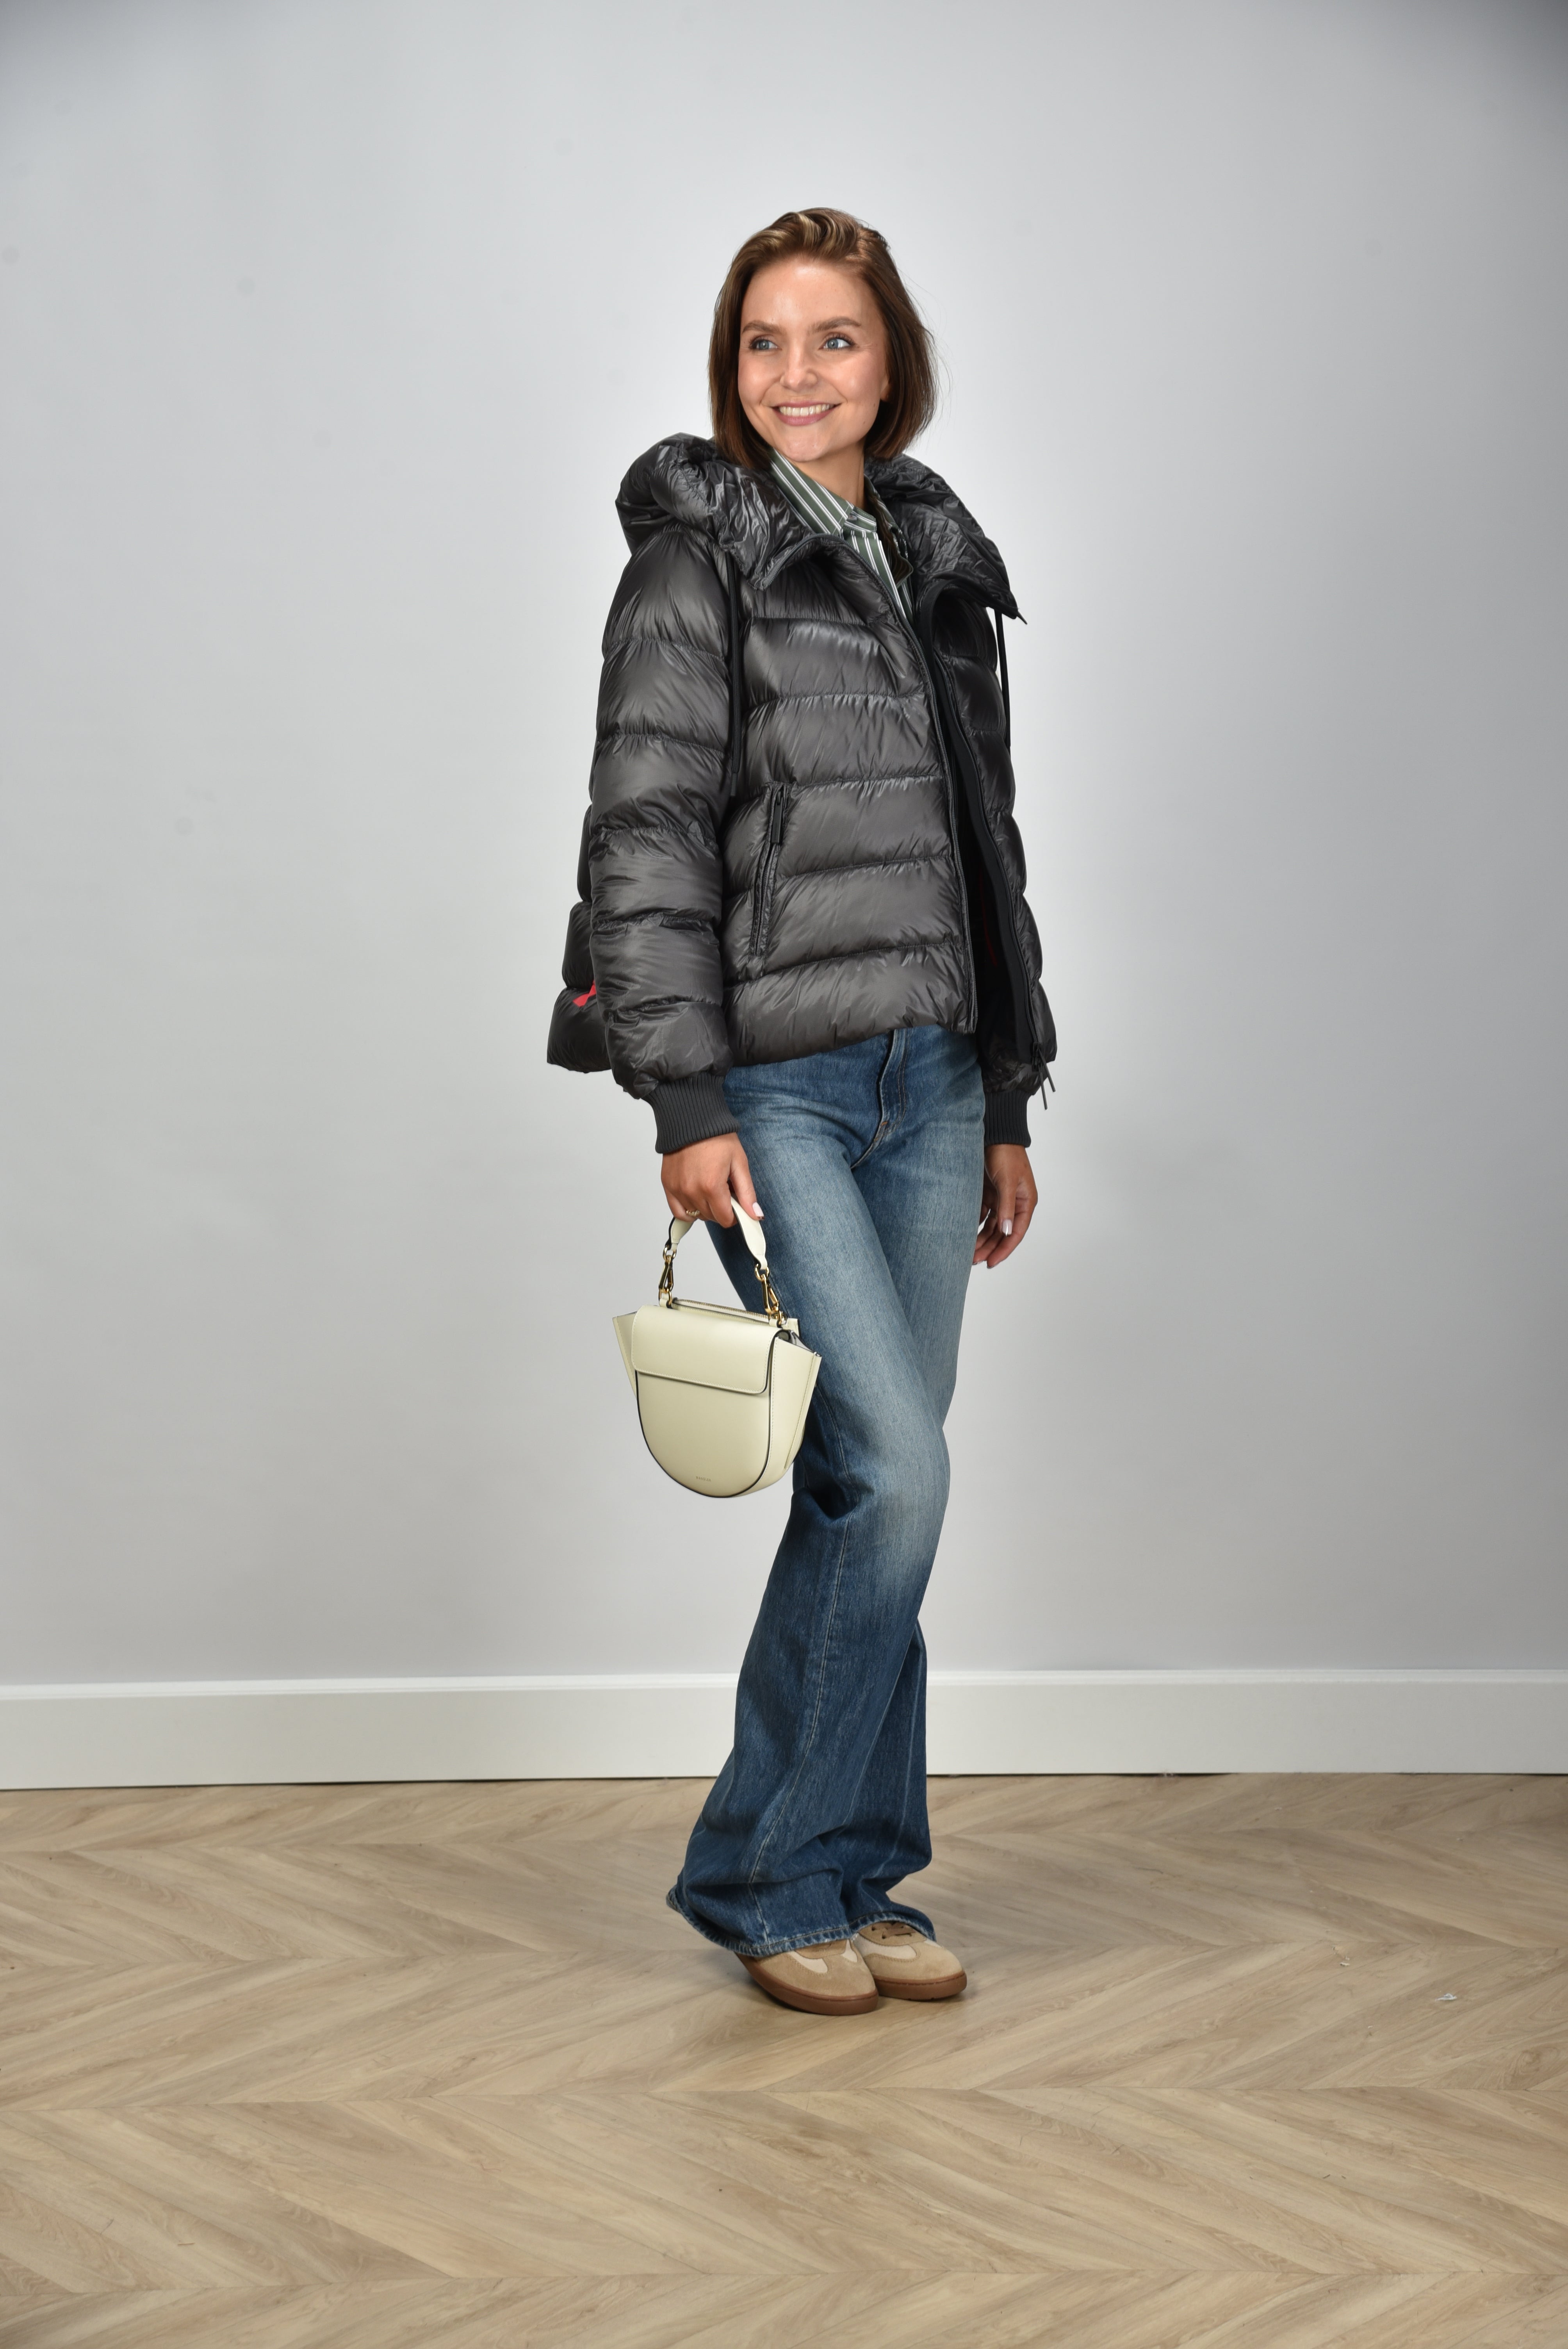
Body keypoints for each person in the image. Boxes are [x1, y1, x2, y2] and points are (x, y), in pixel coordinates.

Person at [549, 208, 1055, 2016]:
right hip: (779, 1081)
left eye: (831, 338)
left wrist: (1004, 1093)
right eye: (763, 341)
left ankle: (851, 1872)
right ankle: (767, 1875)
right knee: (891, 1467)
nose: (795, 373)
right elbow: (642, 839)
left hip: (933, 1079)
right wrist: (681, 1093)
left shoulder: (932, 560)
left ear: (888, 358)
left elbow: (978, 855)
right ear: (730, 365)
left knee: (873, 1491)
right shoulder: (695, 564)